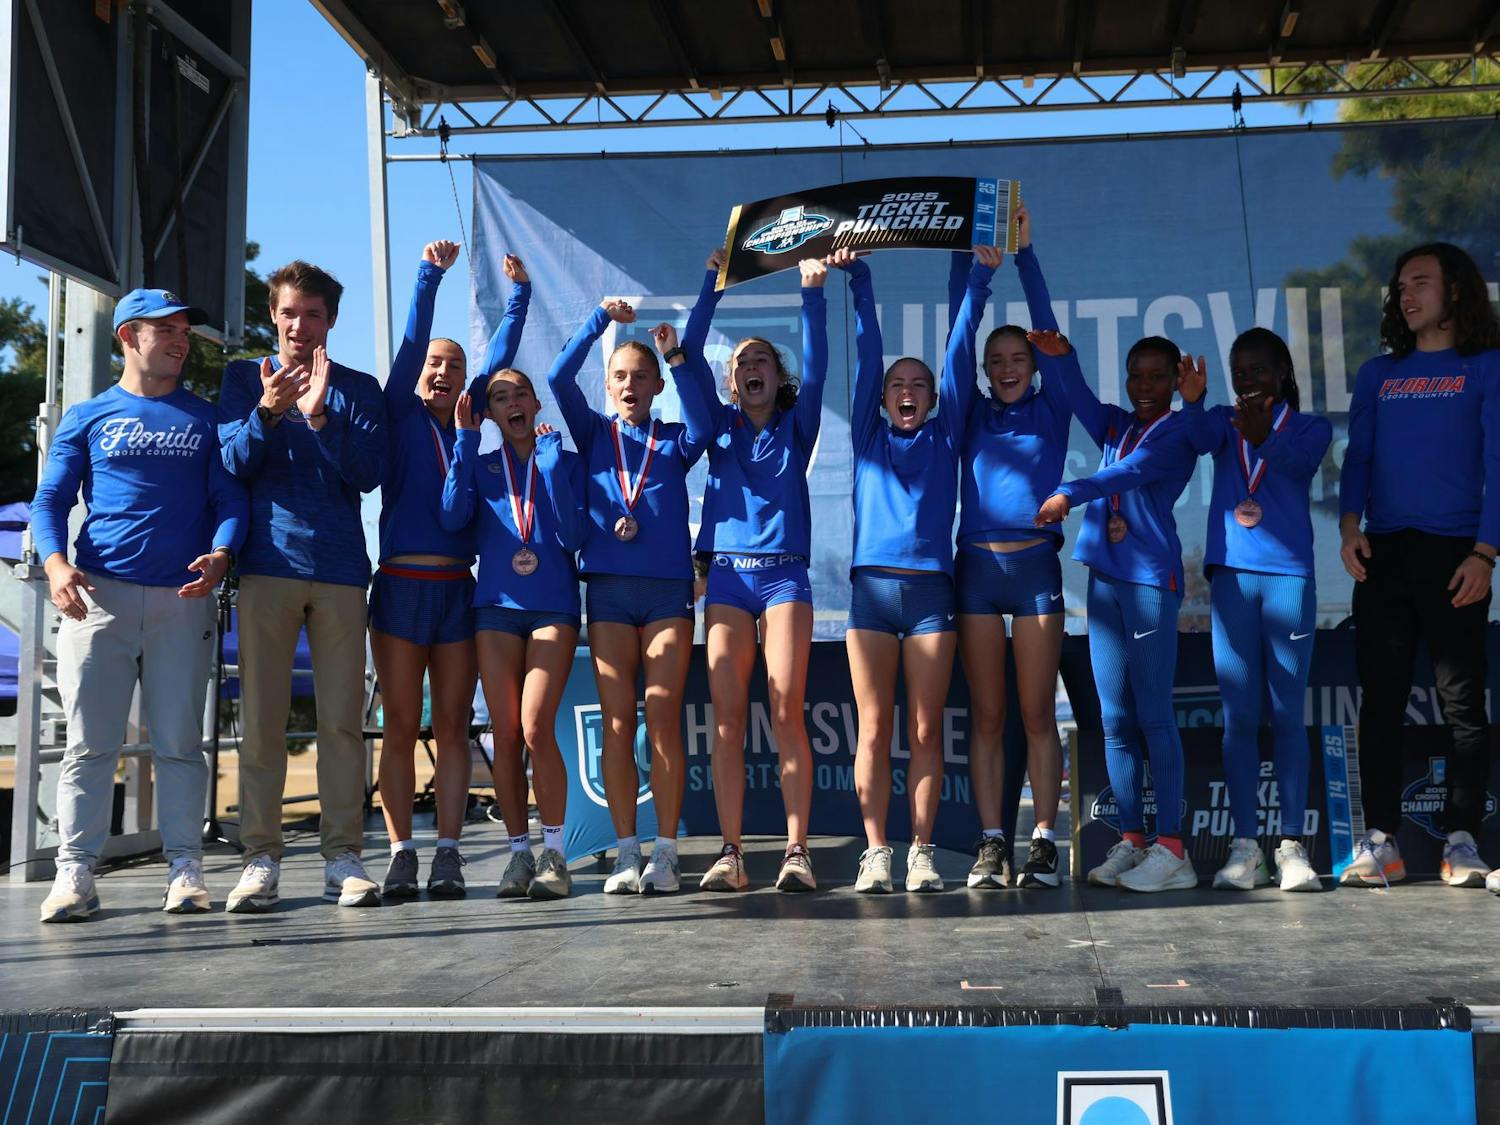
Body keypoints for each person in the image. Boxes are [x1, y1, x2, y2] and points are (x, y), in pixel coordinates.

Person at [33, 290, 246, 921]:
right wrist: (54, 563)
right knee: (89, 745)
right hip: (97, 599)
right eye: (168, 329)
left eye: (186, 329)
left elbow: (231, 502)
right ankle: (75, 872)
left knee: (180, 743)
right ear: (128, 336)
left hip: (184, 601)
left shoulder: (208, 419)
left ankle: (186, 868)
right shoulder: (87, 415)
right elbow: (49, 502)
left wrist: (223, 553)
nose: (182, 340)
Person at [218, 261, 387, 912]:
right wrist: (268, 410)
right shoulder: (242, 378)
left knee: (341, 723)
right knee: (262, 724)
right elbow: (231, 461)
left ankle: (342, 855)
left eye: (312, 314)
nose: (298, 324)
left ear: (330, 321)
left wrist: (319, 418)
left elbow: (370, 473)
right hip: (267, 565)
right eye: (288, 312)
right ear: (273, 315)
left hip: (342, 571)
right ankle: (261, 857)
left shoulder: (360, 389)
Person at [1338, 242, 1500, 890]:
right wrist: (1350, 528)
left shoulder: (1486, 365)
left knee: (1463, 703)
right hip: (1384, 551)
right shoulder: (1378, 373)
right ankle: (1381, 841)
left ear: (1455, 291)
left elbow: (1499, 462)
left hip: (1457, 551)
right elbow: (1358, 459)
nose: (1406, 296)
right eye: (1400, 285)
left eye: (1421, 283)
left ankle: (1461, 838)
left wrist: (1486, 552)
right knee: (1380, 700)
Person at [372, 241, 532, 899]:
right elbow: (413, 339)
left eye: (453, 365)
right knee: (402, 723)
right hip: (401, 587)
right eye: (436, 364)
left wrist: (519, 297)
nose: (442, 371)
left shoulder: (469, 421)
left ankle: (447, 852)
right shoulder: (398, 410)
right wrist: (428, 275)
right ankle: (401, 850)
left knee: (452, 726)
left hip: (454, 591)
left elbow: (498, 359)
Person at [840, 246, 1001, 894]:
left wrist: (981, 276)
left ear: (935, 398)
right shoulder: (867, 435)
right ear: (882, 398)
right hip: (870, 592)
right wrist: (859, 278)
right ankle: (877, 851)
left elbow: (961, 346)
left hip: (932, 591)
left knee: (926, 727)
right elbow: (869, 352)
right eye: (897, 386)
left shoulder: (945, 433)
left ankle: (922, 852)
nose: (907, 392)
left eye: (919, 385)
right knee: (875, 727)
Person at [676, 249, 829, 892]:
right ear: (732, 382)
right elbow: (685, 352)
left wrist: (813, 291)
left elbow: (819, 366)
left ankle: (797, 852)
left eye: (761, 360)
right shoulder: (718, 428)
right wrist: (711, 282)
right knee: (729, 717)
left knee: (787, 707)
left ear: (777, 375)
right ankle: (732, 853)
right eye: (741, 364)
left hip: (784, 575)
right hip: (729, 580)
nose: (751, 368)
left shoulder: (798, 424)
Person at [547, 299, 710, 895]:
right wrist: (596, 321)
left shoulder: (674, 440)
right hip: (610, 592)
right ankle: (624, 849)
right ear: (608, 385)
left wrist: (676, 354)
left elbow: (709, 425)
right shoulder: (592, 433)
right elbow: (558, 378)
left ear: (657, 384)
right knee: (617, 722)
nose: (631, 385)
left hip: (667, 592)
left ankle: (665, 851)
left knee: (662, 716)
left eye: (642, 376)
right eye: (620, 376)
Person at [1034, 332, 1200, 893]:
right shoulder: (1114, 424)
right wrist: (1063, 350)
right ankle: (1132, 839)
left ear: (1176, 381)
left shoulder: (1176, 433)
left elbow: (1125, 475)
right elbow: (1068, 383)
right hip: (1104, 581)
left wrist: (1068, 493)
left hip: (1150, 581)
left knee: (1154, 714)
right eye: (1137, 376)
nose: (1145, 387)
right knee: (1113, 720)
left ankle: (1173, 849)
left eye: (1158, 376)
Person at [1179, 328, 1332, 892]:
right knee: (1240, 716)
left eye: (1259, 370)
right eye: (1239, 371)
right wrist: (1194, 401)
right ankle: (1246, 847)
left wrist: (1263, 434)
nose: (1247, 380)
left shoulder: (1312, 426)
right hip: (1232, 581)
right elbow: (1194, 439)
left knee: (1287, 714)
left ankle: (1291, 846)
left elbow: (1297, 464)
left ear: (1283, 373)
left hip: (1289, 580)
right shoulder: (1223, 420)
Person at [953, 202, 1072, 891]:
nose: (1004, 368)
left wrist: (1024, 257)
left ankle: (1045, 841)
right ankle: (992, 841)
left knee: (1035, 712)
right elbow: (957, 344)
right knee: (990, 715)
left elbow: (1048, 326)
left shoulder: (1051, 404)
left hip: (1033, 567)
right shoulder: (968, 410)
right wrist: (976, 281)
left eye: (1016, 359)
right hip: (976, 569)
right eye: (995, 361)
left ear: (1033, 363)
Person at [441, 366, 586, 900]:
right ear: (492, 413)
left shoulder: (564, 460)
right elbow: (454, 517)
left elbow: (573, 535)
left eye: (520, 393)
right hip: (495, 608)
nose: (512, 403)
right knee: (503, 734)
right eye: (500, 398)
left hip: (553, 608)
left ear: (535, 403)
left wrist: (549, 470)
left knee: (534, 727)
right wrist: (462, 440)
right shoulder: (480, 465)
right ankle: (518, 855)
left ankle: (555, 854)